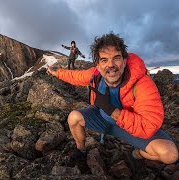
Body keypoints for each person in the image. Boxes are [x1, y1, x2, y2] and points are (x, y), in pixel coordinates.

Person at [48, 33, 178, 164]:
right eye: (104, 60)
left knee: (169, 154)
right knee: (73, 117)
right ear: (98, 65)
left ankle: (138, 153)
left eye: (116, 58)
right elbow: (76, 76)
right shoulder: (96, 75)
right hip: (102, 120)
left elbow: (148, 125)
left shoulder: (142, 84)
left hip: (130, 128)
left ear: (125, 60)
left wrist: (113, 111)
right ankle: (81, 150)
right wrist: (56, 73)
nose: (111, 65)